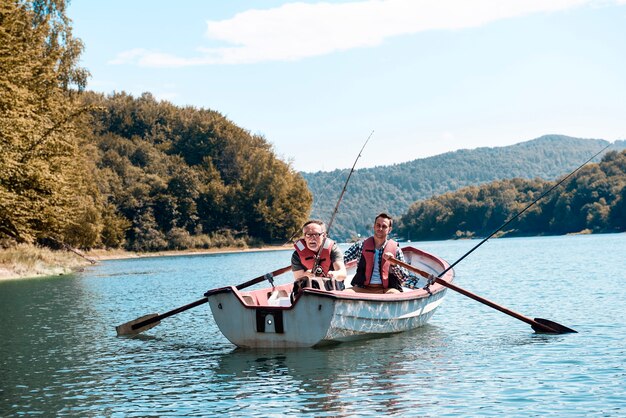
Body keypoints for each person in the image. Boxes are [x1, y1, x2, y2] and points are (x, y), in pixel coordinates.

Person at [343, 212, 409, 294]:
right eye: (378, 225)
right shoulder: (361, 245)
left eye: (384, 226)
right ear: (374, 226)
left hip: (386, 289)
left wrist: (393, 264)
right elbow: (343, 259)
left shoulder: (396, 250)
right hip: (363, 288)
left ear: (389, 230)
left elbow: (404, 277)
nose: (380, 228)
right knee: (345, 293)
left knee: (395, 294)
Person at [291, 220, 347, 290]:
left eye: (316, 234)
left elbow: (343, 273)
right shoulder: (297, 255)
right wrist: (305, 275)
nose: (312, 238)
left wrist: (335, 274)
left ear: (324, 236)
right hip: (310, 290)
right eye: (308, 235)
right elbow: (298, 279)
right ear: (304, 237)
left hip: (332, 287)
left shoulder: (333, 249)